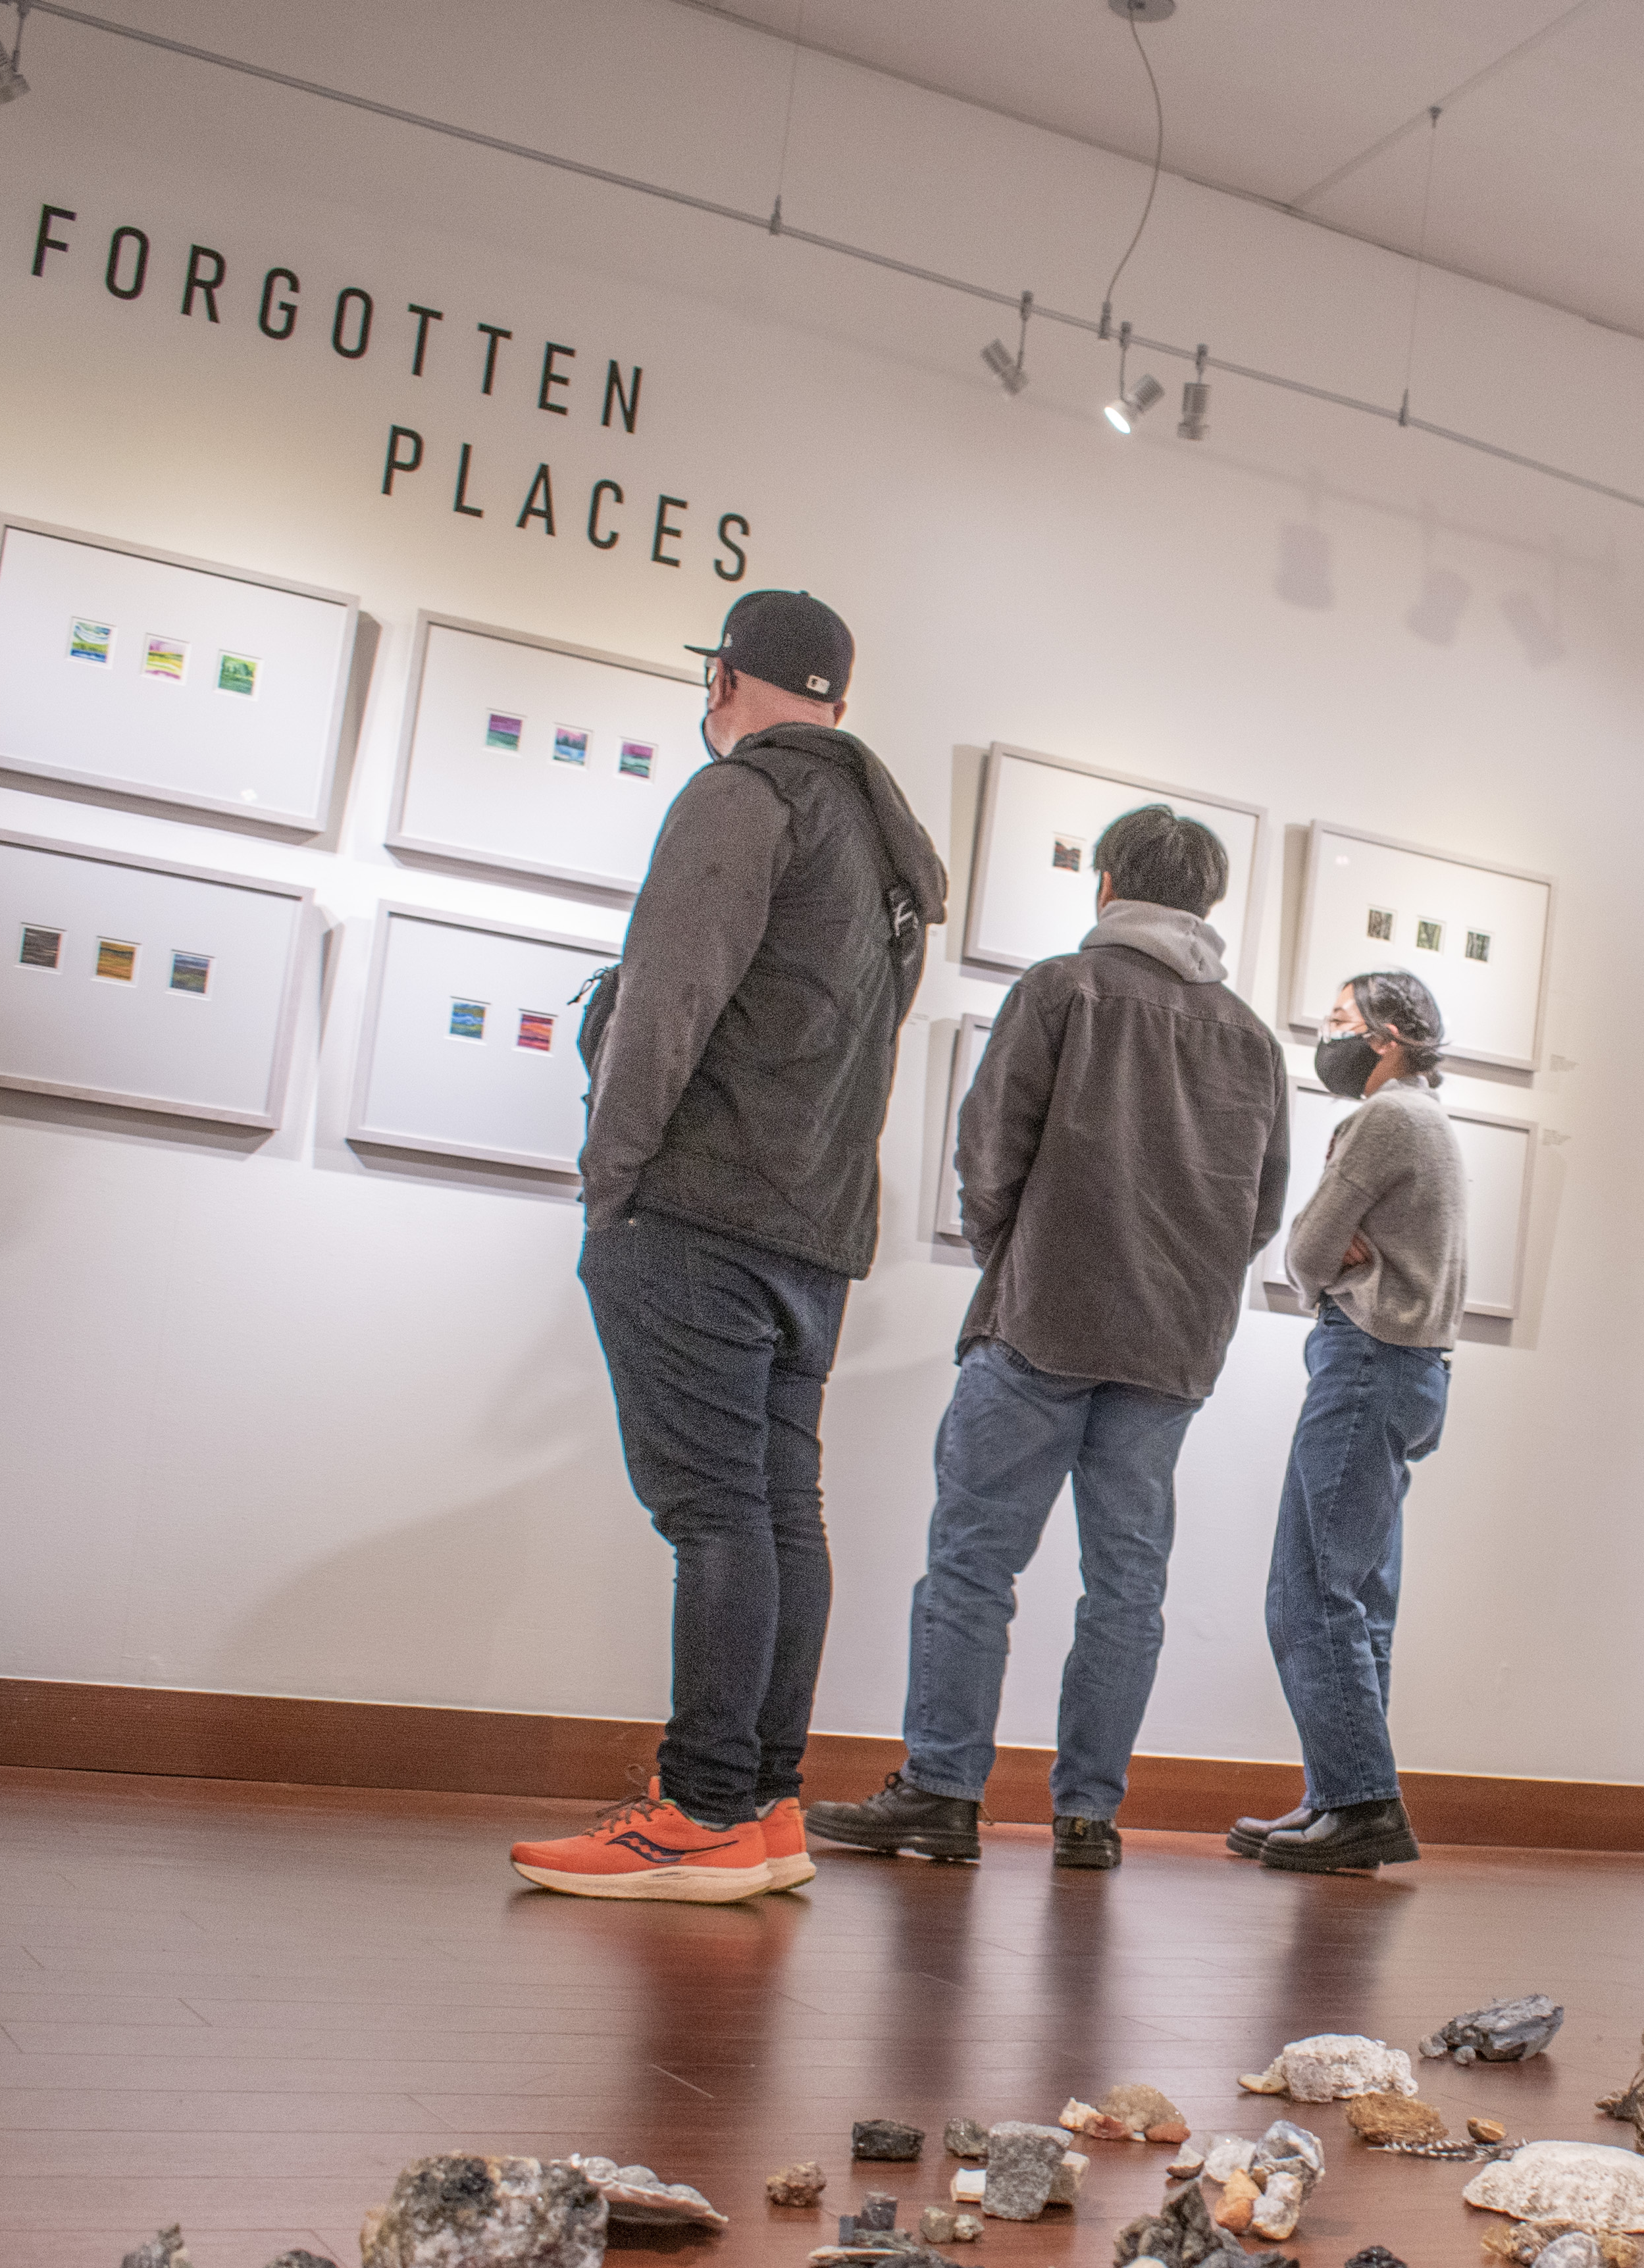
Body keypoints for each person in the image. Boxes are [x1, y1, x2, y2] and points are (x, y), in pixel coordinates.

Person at [511, 589, 945, 1903]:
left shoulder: (742, 799)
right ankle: (760, 1806)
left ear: (726, 679)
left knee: (714, 1515)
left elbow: (665, 997)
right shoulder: (887, 849)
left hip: (698, 1210)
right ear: (841, 701)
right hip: (816, 1230)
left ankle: (698, 1810)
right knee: (774, 1512)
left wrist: (610, 1180)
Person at [808, 806, 1289, 1872]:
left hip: (1042, 1323)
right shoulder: (1252, 1037)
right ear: (1207, 903)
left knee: (974, 1566)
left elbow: (989, 1147)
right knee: (1128, 1583)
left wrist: (1010, 1254)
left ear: (1108, 882)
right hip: (1169, 1351)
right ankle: (1088, 1816)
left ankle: (940, 1791)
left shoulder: (1062, 989)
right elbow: (1261, 1209)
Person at [1225, 972, 1466, 1874]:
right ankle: (1341, 1793)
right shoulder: (1429, 1120)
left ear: (1389, 1034)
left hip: (1365, 1360)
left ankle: (1361, 1801)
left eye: (1340, 1021)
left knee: (1310, 1588)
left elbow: (1304, 1250)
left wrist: (1320, 1260)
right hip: (1409, 1369)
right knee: (1359, 1596)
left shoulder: (1384, 1120)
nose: (1327, 1036)